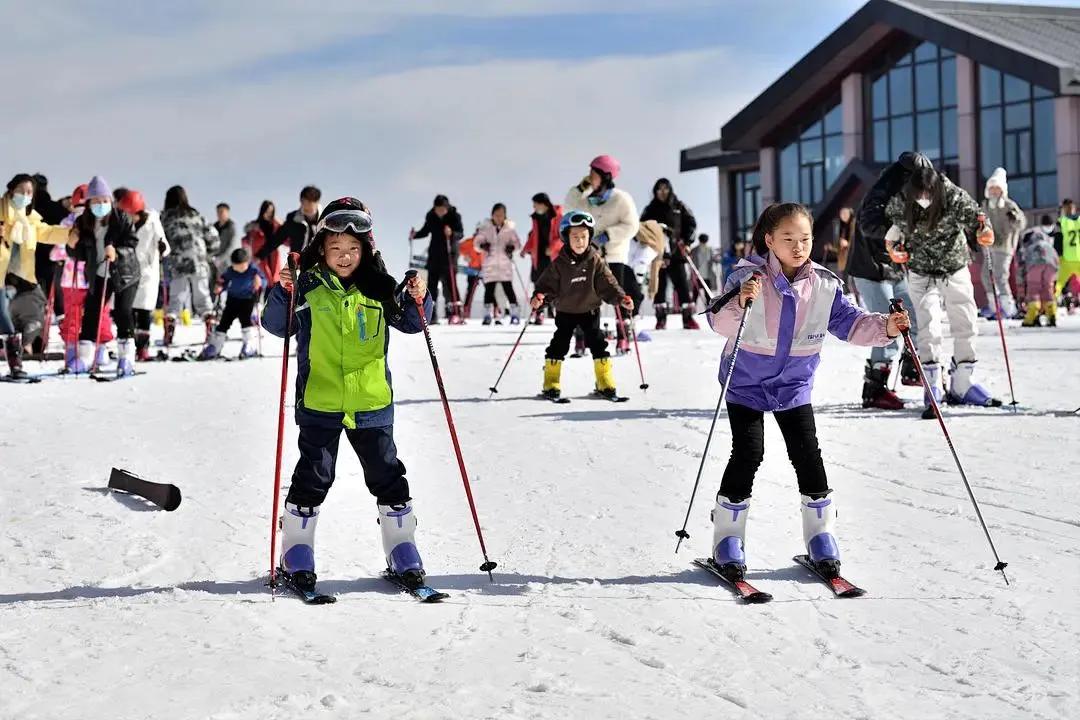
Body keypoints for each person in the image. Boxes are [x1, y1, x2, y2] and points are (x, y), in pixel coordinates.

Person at [706, 202, 910, 580]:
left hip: (793, 384)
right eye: (788, 239)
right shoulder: (747, 278)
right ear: (769, 240)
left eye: (805, 239)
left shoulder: (824, 285)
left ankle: (820, 534)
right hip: (746, 381)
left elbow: (851, 324)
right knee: (749, 452)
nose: (798, 247)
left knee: (807, 455)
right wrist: (740, 299)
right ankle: (727, 538)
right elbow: (719, 322)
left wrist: (888, 327)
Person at [261, 197, 434, 593]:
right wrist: (283, 292)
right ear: (321, 247)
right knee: (314, 475)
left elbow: (412, 322)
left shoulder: (380, 287)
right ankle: (297, 551)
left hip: (371, 403)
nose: (344, 256)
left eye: (353, 249)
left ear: (366, 250)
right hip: (320, 401)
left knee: (387, 474)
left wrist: (419, 296)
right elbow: (275, 326)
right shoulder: (306, 285)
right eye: (336, 248)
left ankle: (402, 547)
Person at [884, 164, 999, 415]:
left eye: (929, 194)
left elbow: (979, 219)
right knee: (928, 325)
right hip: (920, 272)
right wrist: (894, 248)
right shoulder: (903, 200)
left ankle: (963, 383)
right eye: (919, 194)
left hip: (954, 267)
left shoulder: (953, 197)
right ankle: (932, 383)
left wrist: (985, 231)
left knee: (966, 322)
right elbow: (893, 232)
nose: (924, 199)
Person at [530, 210, 634, 401]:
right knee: (559, 345)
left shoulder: (595, 260)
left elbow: (608, 283)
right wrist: (539, 298)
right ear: (566, 238)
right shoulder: (559, 264)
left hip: (590, 310)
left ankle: (605, 382)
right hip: (565, 311)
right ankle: (551, 383)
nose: (580, 241)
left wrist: (620, 298)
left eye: (584, 237)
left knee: (598, 343)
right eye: (575, 237)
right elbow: (546, 287)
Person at [851, 153, 925, 410]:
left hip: (893, 269)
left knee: (915, 317)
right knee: (887, 327)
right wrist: (896, 232)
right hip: (870, 269)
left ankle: (910, 368)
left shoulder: (909, 197)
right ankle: (875, 389)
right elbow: (867, 224)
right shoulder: (882, 191)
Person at [70, 176, 141, 377]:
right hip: (99, 272)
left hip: (125, 273)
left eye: (104, 200)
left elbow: (131, 242)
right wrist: (72, 244)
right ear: (89, 203)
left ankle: (126, 357)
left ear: (110, 200)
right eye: (96, 201)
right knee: (91, 311)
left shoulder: (121, 218)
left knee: (122, 312)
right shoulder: (83, 223)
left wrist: (116, 250)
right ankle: (85, 357)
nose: (101, 205)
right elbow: (80, 254)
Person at [564, 156, 641, 343]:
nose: (589, 176)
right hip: (591, 255)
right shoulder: (586, 200)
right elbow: (569, 209)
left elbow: (632, 225)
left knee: (617, 293)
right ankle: (584, 334)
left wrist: (609, 235)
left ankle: (623, 333)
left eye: (594, 173)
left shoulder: (621, 198)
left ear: (606, 176)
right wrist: (579, 189)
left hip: (614, 254)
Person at [1, 174, 70, 380]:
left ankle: (17, 360)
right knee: (4, 317)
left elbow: (48, 233)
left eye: (29, 192)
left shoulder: (30, 219)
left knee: (33, 319)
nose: (25, 195)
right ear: (11, 190)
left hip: (22, 279)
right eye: (21, 191)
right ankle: (15, 365)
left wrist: (72, 234)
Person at [161, 185, 217, 344]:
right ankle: (210, 328)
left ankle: (169, 329)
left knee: (176, 298)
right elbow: (213, 237)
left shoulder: (165, 218)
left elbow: (160, 239)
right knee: (203, 297)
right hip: (199, 261)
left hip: (177, 263)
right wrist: (208, 253)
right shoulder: (196, 215)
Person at [118, 190, 169, 361]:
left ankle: (143, 348)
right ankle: (130, 348)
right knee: (129, 311)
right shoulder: (122, 222)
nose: (129, 217)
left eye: (131, 214)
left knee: (144, 312)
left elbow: (164, 244)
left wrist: (162, 247)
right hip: (128, 271)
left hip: (147, 272)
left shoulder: (153, 221)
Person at [641, 178, 697, 329]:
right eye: (659, 189)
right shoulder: (650, 209)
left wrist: (687, 242)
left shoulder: (679, 206)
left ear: (670, 190)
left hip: (677, 251)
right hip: (657, 253)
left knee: (683, 285)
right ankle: (660, 318)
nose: (662, 192)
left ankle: (688, 318)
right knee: (659, 285)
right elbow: (642, 228)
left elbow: (691, 223)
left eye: (665, 188)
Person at [199, 248, 266, 360]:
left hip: (248, 300)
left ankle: (249, 345)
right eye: (236, 266)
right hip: (232, 300)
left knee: (246, 321)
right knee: (224, 322)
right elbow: (223, 280)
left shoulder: (253, 270)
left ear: (247, 262)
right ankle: (215, 346)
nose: (239, 269)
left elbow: (264, 281)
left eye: (241, 266)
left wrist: (259, 282)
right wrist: (220, 286)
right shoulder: (230, 271)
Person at [978, 168, 1026, 319]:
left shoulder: (1008, 205)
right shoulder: (985, 205)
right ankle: (994, 306)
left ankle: (1008, 307)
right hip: (989, 246)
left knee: (1000, 276)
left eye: (997, 188)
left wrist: (1015, 218)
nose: (994, 191)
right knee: (986, 275)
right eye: (991, 188)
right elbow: (979, 223)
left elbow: (1021, 223)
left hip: (1004, 246)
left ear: (1002, 190)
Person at [410, 195, 463, 323]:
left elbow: (460, 233)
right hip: (434, 255)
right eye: (437, 209)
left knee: (451, 285)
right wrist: (415, 235)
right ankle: (431, 314)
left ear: (447, 207)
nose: (440, 212)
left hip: (449, 254)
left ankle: (455, 313)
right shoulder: (431, 216)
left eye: (442, 209)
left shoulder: (454, 216)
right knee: (432, 285)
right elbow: (425, 231)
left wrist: (452, 233)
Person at [475, 203, 522, 325]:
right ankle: (487, 315)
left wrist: (512, 247)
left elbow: (517, 243)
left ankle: (515, 314)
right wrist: (482, 245)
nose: (499, 217)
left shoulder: (509, 229)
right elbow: (477, 242)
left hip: (504, 264)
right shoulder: (486, 228)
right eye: (496, 215)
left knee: (508, 289)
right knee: (489, 291)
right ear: (492, 215)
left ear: (505, 216)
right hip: (490, 264)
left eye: (501, 215)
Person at [521, 193, 563, 322]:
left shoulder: (558, 216)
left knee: (553, 283)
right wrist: (525, 249)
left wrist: (553, 247)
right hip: (538, 256)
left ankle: (553, 310)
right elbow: (533, 236)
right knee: (538, 283)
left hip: (552, 256)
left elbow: (563, 236)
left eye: (535, 204)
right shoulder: (536, 218)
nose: (534, 207)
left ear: (544, 204)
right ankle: (538, 313)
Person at [259, 186, 322, 261]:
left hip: (319, 264)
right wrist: (259, 256)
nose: (307, 209)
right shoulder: (293, 219)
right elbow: (277, 239)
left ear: (317, 202)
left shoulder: (326, 219)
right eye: (305, 205)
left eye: (310, 206)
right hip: (297, 265)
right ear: (301, 201)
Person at [1019, 215, 1060, 327]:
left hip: (1035, 263)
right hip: (1051, 263)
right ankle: (1052, 315)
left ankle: (1031, 317)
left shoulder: (1029, 244)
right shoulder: (1047, 241)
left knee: (1034, 288)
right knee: (1048, 288)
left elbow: (1023, 261)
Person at [243, 200, 281, 293]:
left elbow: (286, 239)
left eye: (271, 212)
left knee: (274, 281)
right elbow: (246, 240)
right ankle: (258, 304)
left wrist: (280, 223)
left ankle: (270, 304)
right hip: (259, 257)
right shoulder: (255, 226)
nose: (269, 214)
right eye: (267, 211)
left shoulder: (275, 225)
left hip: (273, 256)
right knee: (262, 281)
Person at [210, 202, 240, 296]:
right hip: (214, 263)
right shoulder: (213, 227)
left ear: (227, 212)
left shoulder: (232, 227)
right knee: (213, 286)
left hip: (227, 263)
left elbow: (232, 246)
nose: (220, 214)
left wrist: (220, 259)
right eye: (218, 212)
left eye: (222, 211)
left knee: (226, 286)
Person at [1058, 198, 1079, 313]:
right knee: (1063, 283)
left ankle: (1073, 300)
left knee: (1073, 281)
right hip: (1066, 257)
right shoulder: (1062, 222)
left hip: (1076, 256)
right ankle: (1068, 301)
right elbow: (1058, 239)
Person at [458, 229, 484, 318]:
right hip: (473, 269)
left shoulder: (488, 241)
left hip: (486, 269)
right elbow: (458, 247)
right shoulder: (470, 242)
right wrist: (465, 255)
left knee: (491, 289)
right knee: (470, 291)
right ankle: (466, 310)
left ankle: (496, 310)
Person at [690, 233, 717, 302]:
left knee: (708, 296)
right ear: (699, 241)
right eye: (702, 242)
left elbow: (713, 260)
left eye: (705, 242)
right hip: (697, 276)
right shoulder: (694, 250)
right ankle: (693, 309)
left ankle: (708, 310)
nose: (704, 244)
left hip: (707, 276)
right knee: (695, 294)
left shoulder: (710, 250)